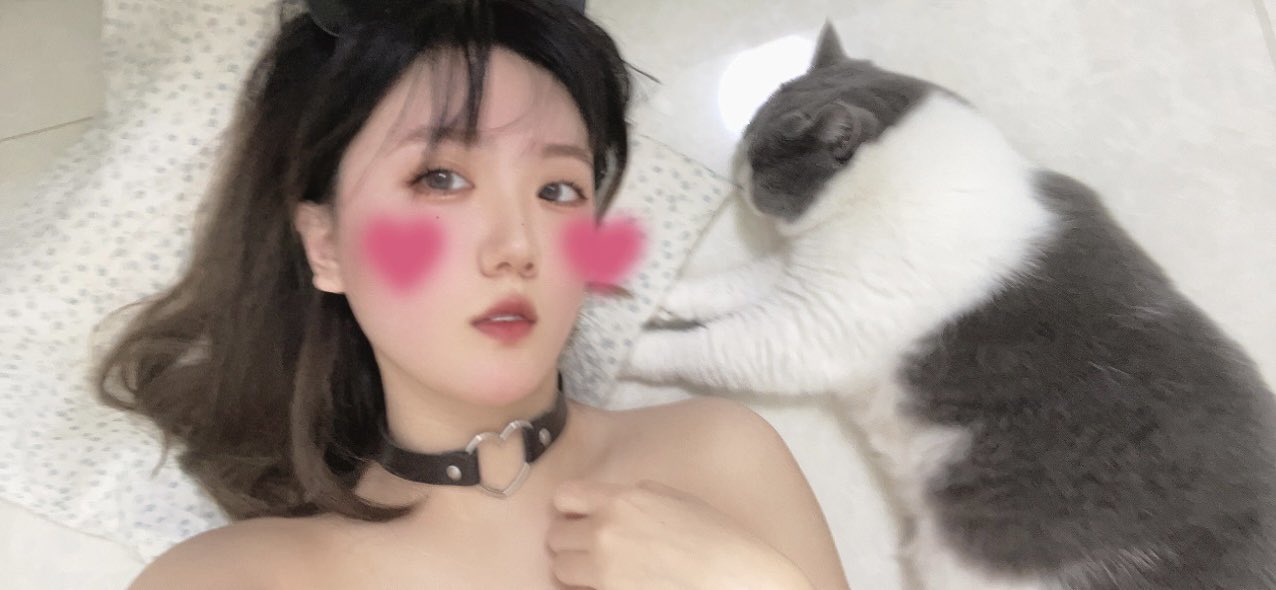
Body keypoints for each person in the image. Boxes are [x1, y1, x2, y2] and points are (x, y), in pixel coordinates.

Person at [97, 0, 850, 587]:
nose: (517, 245)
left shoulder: (717, 457)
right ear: (325, 246)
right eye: (440, 178)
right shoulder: (229, 579)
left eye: (558, 189)